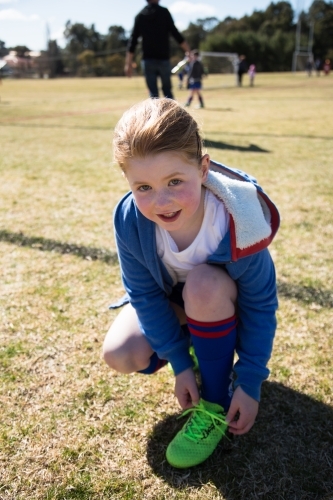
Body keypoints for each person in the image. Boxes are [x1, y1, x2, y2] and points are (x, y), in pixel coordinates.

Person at [103, 98, 280, 469]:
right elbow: (145, 295)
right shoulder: (130, 219)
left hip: (220, 301)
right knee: (120, 353)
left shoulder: (237, 219)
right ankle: (202, 349)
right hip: (179, 308)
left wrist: (249, 381)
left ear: (202, 168)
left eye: (175, 181)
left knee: (203, 284)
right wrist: (181, 365)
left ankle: (215, 400)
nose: (161, 201)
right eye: (144, 187)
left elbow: (261, 304)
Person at [125, 0, 190, 99]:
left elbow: (133, 41)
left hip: (148, 60)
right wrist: (188, 51)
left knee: (153, 94)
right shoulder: (164, 12)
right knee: (167, 91)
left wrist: (128, 63)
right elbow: (176, 34)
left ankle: (155, 114)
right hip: (163, 58)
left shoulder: (140, 16)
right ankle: (172, 114)